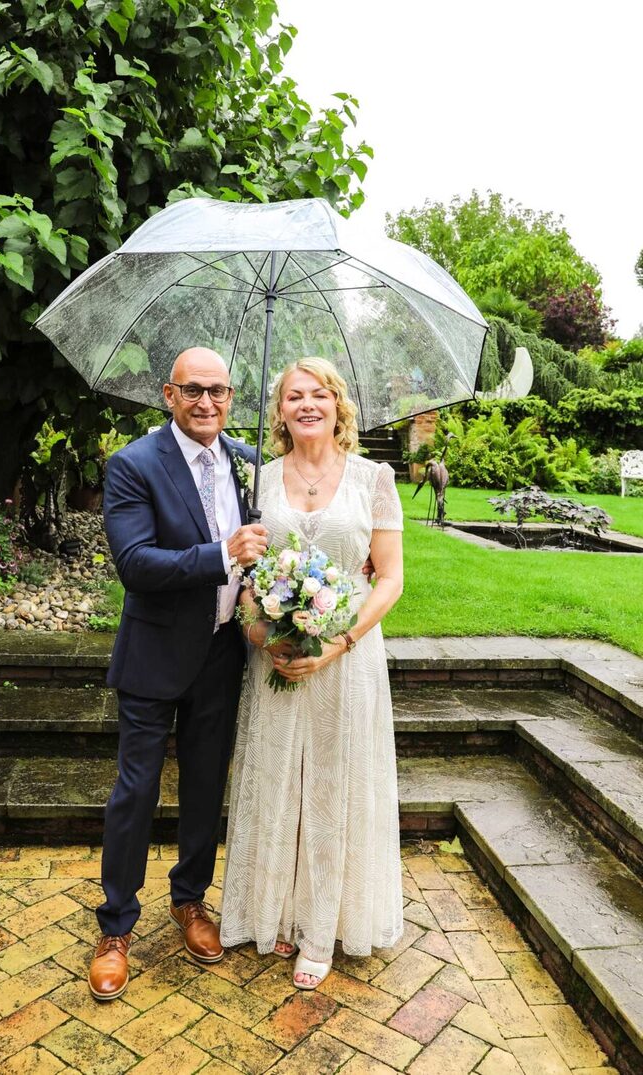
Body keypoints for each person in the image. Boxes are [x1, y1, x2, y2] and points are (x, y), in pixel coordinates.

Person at [220, 356, 404, 990]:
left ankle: (322, 930)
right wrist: (256, 626)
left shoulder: (374, 478)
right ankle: (274, 910)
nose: (306, 405)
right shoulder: (259, 481)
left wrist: (341, 641)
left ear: (337, 405)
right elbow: (248, 572)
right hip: (274, 653)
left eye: (318, 395)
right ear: (279, 411)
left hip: (346, 659)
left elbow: (390, 577)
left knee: (332, 784)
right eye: (293, 396)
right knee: (275, 778)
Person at [88, 346, 267, 1000]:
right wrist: (222, 553)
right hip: (154, 653)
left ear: (229, 394)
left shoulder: (248, 466)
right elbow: (136, 563)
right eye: (193, 390)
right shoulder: (134, 465)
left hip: (223, 652)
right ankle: (115, 927)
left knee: (204, 785)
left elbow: (265, 556)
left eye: (219, 390)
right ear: (169, 393)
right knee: (135, 791)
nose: (207, 402)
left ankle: (190, 900)